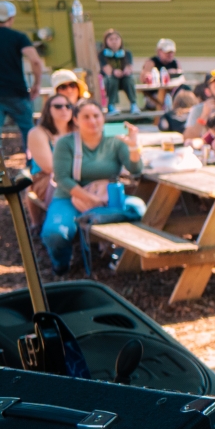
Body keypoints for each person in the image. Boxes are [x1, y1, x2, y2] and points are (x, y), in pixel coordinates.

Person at [42, 99, 144, 273]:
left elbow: (135, 169)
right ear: (75, 120)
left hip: (106, 196)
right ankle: (61, 263)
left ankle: (114, 246)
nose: (92, 121)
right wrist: (90, 199)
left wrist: (133, 146)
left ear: (103, 118)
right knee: (54, 234)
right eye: (86, 117)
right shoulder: (65, 143)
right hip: (70, 197)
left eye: (96, 116)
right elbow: (62, 178)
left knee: (138, 208)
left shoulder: (115, 138)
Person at [0, 1, 43, 146]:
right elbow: (35, 61)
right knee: (28, 131)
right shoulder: (18, 37)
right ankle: (35, 165)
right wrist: (37, 83)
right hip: (15, 91)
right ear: (11, 18)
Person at [24, 94, 74, 211]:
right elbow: (49, 167)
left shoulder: (77, 130)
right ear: (48, 110)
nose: (64, 109)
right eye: (58, 106)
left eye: (68, 106)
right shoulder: (37, 133)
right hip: (45, 179)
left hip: (77, 175)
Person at [96, 29, 138, 113]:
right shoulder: (102, 54)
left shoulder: (127, 53)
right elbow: (107, 70)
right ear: (106, 41)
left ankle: (133, 104)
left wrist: (126, 71)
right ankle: (111, 105)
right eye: (111, 39)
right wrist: (114, 72)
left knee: (129, 79)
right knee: (112, 79)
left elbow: (129, 67)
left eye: (116, 39)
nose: (114, 42)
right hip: (109, 81)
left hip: (123, 80)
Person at [147, 38, 185, 108]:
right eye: (167, 52)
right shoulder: (152, 62)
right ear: (159, 51)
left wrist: (174, 74)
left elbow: (182, 78)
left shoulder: (175, 63)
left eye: (172, 52)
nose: (170, 54)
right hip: (155, 95)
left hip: (173, 93)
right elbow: (144, 77)